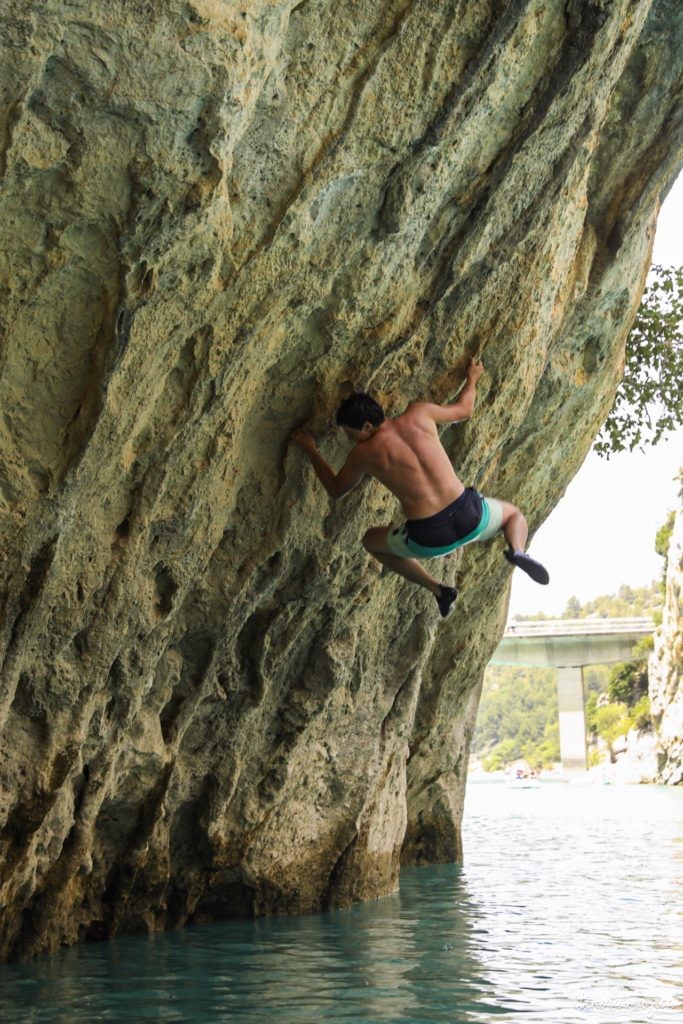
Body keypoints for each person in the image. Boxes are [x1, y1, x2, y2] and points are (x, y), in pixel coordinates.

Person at [290, 357, 549, 617]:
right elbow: (464, 410)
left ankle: (439, 590)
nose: (350, 439)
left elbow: (336, 489)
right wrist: (472, 378)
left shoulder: (364, 453)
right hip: (470, 515)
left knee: (370, 541)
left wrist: (311, 450)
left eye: (350, 433)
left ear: (367, 426)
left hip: (430, 536)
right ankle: (517, 550)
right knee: (514, 514)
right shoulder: (419, 413)